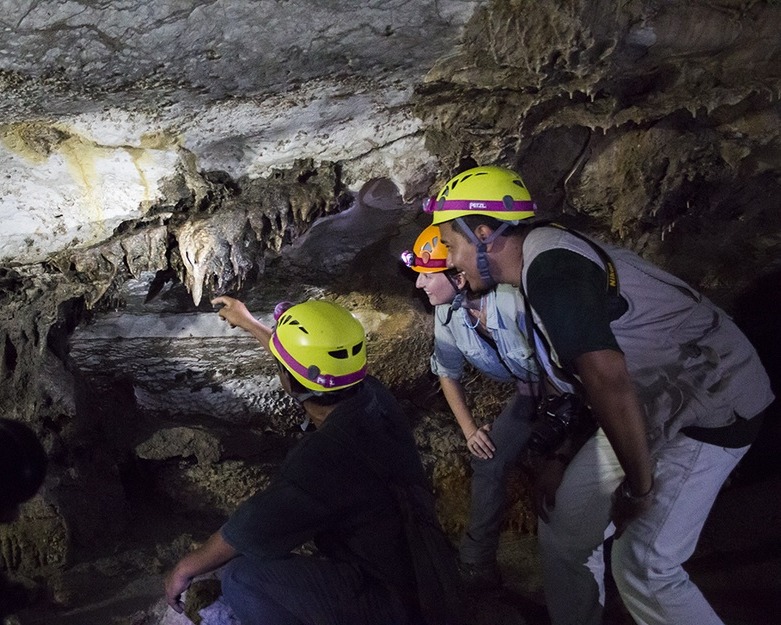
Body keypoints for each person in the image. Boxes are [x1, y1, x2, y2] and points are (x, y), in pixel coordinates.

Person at [427, 165, 775, 625]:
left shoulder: (552, 270)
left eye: (451, 245)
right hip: (651, 403)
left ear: (484, 235)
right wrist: (561, 453)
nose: (450, 261)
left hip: (710, 404)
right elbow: (576, 381)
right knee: (564, 527)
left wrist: (639, 488)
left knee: (644, 566)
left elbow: (607, 382)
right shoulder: (533, 270)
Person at [164, 297, 450, 625]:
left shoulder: (326, 455)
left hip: (392, 603)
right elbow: (307, 369)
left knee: (242, 577)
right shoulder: (373, 396)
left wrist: (184, 568)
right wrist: (250, 323)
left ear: (290, 379)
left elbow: (254, 525)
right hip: (428, 573)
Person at [402, 224, 539, 589]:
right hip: (530, 392)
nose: (419, 284)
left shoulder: (514, 300)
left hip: (571, 391)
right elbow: (447, 373)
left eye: (427, 275)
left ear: (459, 277)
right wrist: (470, 430)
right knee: (488, 458)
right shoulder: (447, 315)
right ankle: (476, 565)